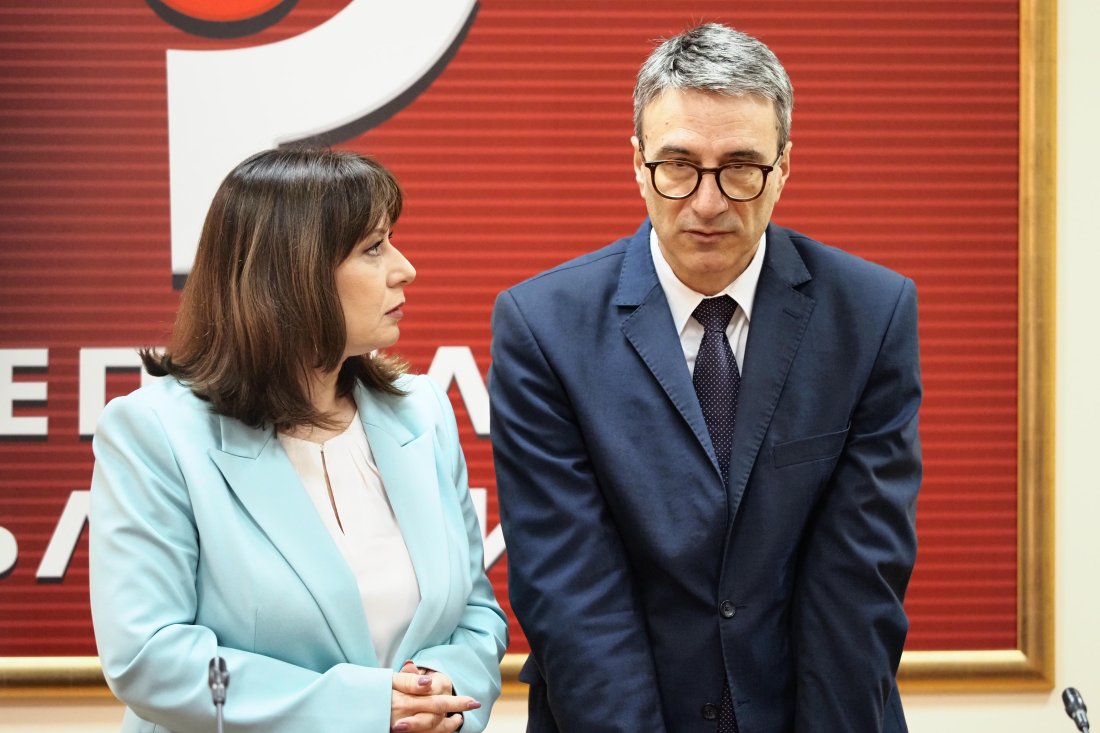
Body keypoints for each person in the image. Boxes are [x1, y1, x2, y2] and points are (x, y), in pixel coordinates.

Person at [489, 23, 920, 733]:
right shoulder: (543, 325)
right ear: (637, 163)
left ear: (784, 166)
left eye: (741, 167)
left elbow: (858, 579)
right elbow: (571, 590)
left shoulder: (870, 315)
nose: (709, 202)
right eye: (679, 165)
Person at [89, 148, 508, 733]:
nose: (405, 269)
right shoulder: (153, 431)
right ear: (292, 274)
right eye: (374, 248)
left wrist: (443, 691)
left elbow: (475, 614)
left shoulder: (423, 411)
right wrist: (361, 708)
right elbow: (151, 658)